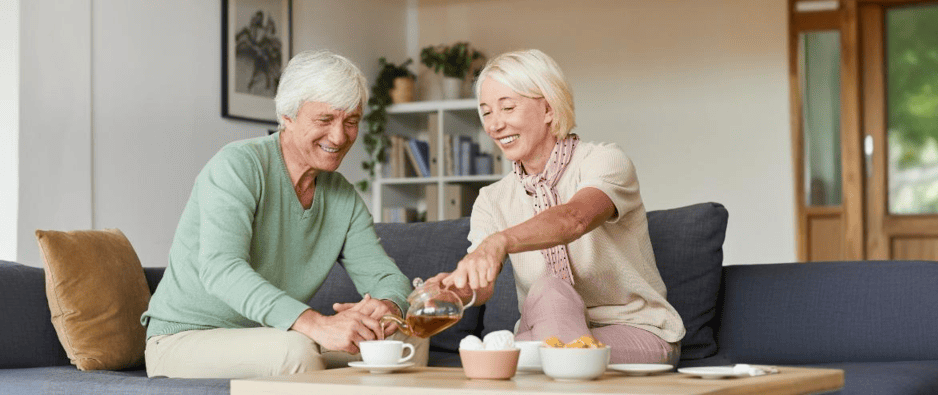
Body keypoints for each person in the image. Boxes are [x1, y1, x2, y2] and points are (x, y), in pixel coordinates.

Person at [141, 50, 414, 378]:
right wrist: (317, 324)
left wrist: (388, 307)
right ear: (288, 116)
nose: (340, 137)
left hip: (271, 334)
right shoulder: (238, 166)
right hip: (185, 338)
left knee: (402, 337)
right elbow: (221, 269)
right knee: (296, 351)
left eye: (351, 122)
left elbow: (384, 276)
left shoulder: (341, 195)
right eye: (325, 120)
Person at [438, 49, 684, 364]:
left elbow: (574, 219)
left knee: (541, 320)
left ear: (549, 109)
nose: (494, 125)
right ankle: (551, 358)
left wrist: (500, 241)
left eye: (508, 107)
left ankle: (544, 358)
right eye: (486, 112)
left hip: (631, 333)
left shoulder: (605, 161)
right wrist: (452, 289)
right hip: (545, 330)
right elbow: (481, 286)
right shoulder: (492, 199)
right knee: (547, 310)